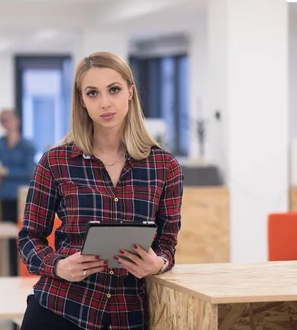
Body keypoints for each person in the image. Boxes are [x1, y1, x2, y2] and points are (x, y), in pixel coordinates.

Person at [18, 52, 184, 330]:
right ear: (81, 100)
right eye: (93, 93)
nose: (105, 102)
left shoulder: (164, 167)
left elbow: (167, 245)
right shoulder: (56, 162)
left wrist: (157, 264)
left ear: (130, 92)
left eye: (114, 90)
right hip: (60, 310)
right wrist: (58, 265)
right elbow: (28, 238)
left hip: (127, 316)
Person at [0, 108, 35, 276]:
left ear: (16, 120)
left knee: (22, 237)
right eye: (2, 120)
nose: (5, 123)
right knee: (7, 238)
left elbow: (30, 171)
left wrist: (6, 172)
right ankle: (9, 273)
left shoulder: (27, 145)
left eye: (8, 119)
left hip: (21, 198)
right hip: (5, 195)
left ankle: (23, 272)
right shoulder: (0, 142)